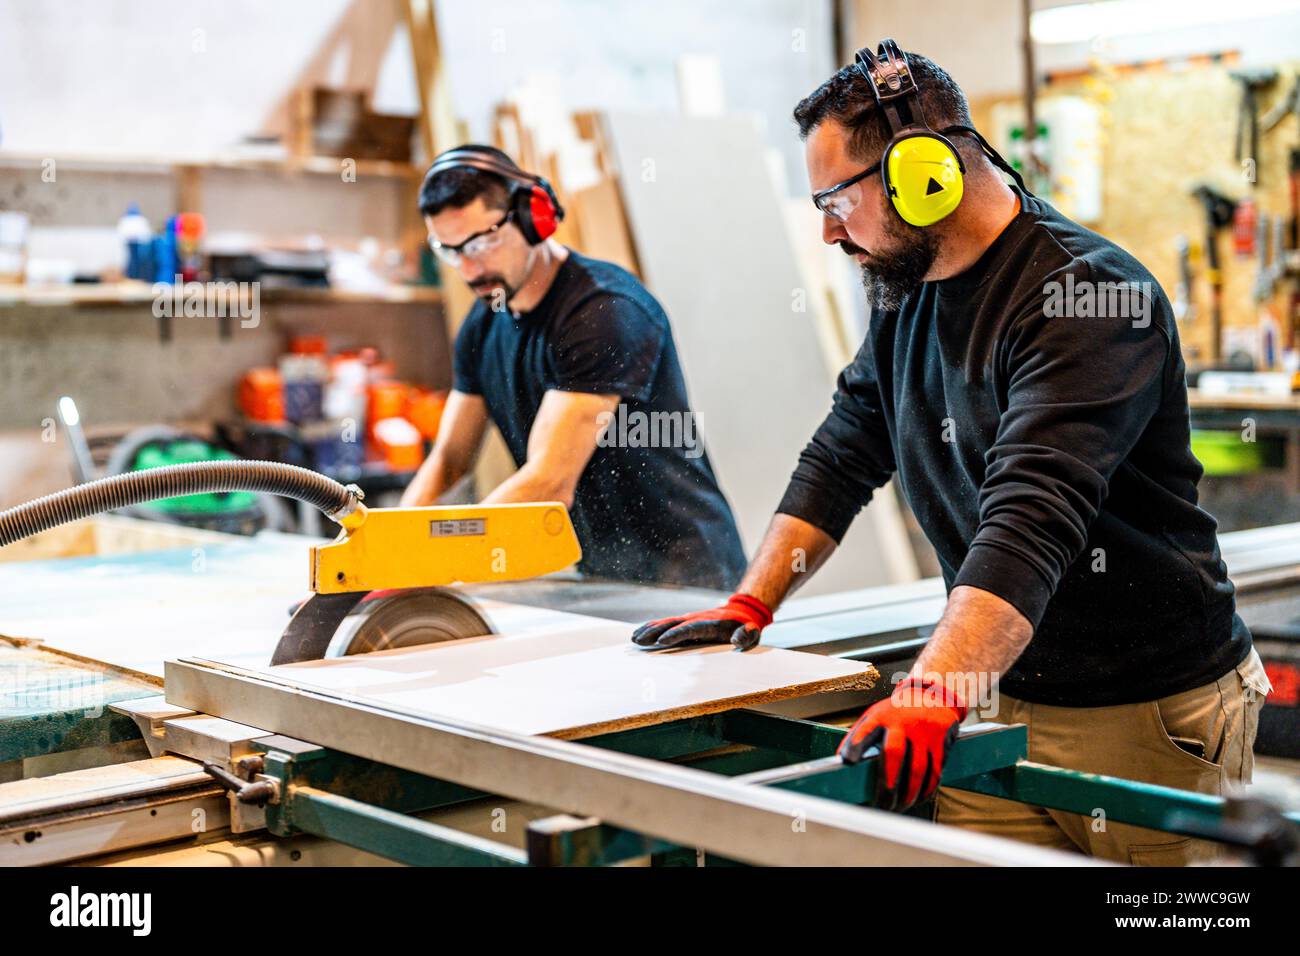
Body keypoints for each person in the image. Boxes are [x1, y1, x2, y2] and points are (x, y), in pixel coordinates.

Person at [631, 42, 1271, 864]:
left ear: (924, 174)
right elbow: (847, 446)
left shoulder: (1088, 297)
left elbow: (1031, 517)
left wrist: (934, 687)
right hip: (990, 692)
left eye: (834, 199)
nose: (827, 231)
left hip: (1144, 715)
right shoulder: (909, 285)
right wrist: (752, 603)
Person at [402, 145, 746, 590]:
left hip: (688, 576)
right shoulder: (482, 325)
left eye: (481, 243)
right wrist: (389, 551)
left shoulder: (604, 311)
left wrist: (426, 560)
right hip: (605, 574)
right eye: (451, 252)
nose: (469, 269)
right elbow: (448, 461)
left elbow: (549, 483)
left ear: (531, 218)